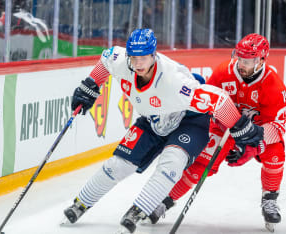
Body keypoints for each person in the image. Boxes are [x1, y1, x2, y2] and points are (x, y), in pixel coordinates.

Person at [62, 28, 264, 233]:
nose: (138, 64)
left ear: (154, 54)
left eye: (143, 58)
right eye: (134, 58)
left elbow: (219, 100)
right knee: (118, 164)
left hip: (189, 121)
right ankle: (81, 203)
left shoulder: (175, 82)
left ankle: (139, 209)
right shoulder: (122, 60)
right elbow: (106, 58)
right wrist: (90, 85)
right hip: (153, 120)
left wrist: (240, 126)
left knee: (172, 161)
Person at [146, 33, 286, 232]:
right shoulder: (224, 72)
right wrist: (221, 123)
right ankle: (165, 200)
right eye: (240, 58)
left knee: (275, 153)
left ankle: (269, 198)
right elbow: (206, 102)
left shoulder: (274, 85)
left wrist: (252, 147)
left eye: (249, 60)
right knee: (201, 165)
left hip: (255, 132)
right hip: (223, 127)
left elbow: (277, 126)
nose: (242, 64)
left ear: (261, 60)